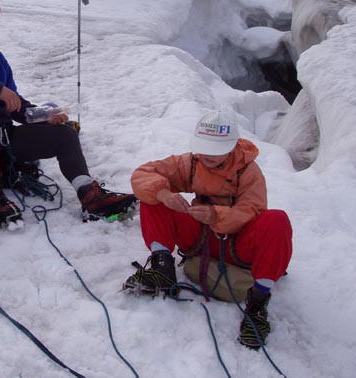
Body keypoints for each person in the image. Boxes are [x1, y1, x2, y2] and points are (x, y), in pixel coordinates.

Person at [0, 0, 136, 225]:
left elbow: (14, 104)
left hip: (0, 141)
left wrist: (42, 116)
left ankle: (90, 197)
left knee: (64, 134)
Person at [123, 110, 293, 349]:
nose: (207, 156)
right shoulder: (191, 163)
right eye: (203, 148)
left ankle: (257, 306)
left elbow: (253, 209)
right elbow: (143, 174)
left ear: (232, 146)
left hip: (238, 244)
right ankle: (162, 268)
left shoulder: (249, 171)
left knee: (277, 220)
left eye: (215, 151)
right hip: (202, 238)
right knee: (153, 196)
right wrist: (163, 193)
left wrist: (217, 215)